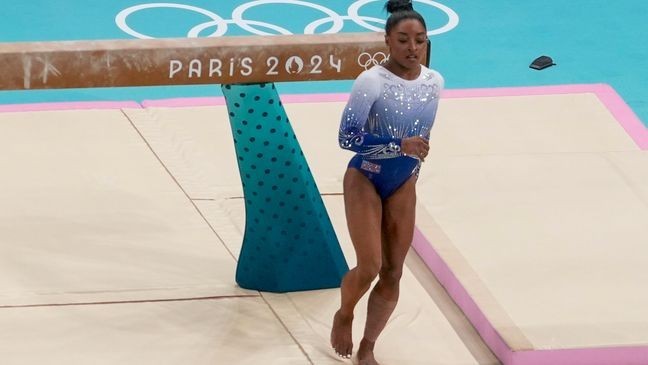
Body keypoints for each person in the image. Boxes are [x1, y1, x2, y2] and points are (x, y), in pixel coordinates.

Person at [330, 0, 444, 364]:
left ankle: (368, 346)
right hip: (365, 176)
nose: (412, 48)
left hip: (402, 181)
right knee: (369, 267)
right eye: (403, 40)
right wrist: (398, 144)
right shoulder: (371, 82)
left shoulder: (434, 82)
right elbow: (347, 138)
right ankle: (345, 313)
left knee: (393, 273)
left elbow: (420, 140)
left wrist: (409, 157)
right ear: (387, 41)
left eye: (420, 41)